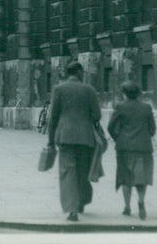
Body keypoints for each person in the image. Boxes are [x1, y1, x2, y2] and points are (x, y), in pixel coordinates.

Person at [47, 61, 102, 222]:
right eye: (82, 72)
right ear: (78, 72)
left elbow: (53, 118)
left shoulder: (58, 89)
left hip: (65, 137)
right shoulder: (89, 90)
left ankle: (72, 210)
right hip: (85, 138)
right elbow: (97, 116)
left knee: (67, 172)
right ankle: (81, 202)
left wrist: (50, 140)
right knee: (83, 171)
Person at [107, 80, 156, 220]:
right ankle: (141, 201)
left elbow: (110, 127)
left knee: (125, 177)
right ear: (138, 94)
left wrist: (118, 138)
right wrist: (145, 136)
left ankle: (127, 207)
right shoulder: (147, 107)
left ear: (125, 93)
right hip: (143, 147)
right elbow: (152, 128)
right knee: (141, 177)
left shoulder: (120, 107)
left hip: (124, 147)